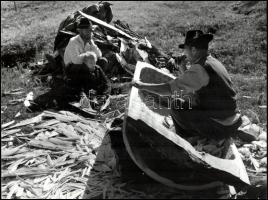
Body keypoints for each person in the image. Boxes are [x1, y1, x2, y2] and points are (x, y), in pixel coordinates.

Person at [132, 30, 242, 140]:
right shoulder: (212, 62)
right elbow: (194, 84)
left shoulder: (199, 69)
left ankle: (186, 140)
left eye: (186, 50)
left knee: (176, 105)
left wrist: (141, 85)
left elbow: (169, 89)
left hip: (221, 126)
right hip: (232, 120)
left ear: (193, 50)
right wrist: (182, 68)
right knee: (187, 98)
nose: (185, 53)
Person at [64, 17, 111, 96]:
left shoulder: (90, 40)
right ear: (80, 31)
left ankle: (97, 84)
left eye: (90, 30)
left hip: (87, 64)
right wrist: (89, 57)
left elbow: (99, 55)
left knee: (103, 61)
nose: (89, 32)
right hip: (73, 68)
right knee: (85, 67)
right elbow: (75, 60)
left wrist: (92, 45)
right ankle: (86, 88)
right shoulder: (73, 41)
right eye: (87, 30)